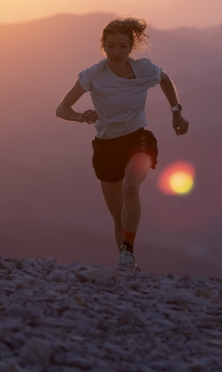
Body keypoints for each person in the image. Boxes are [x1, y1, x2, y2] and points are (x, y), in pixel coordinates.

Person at [55, 16, 189, 272]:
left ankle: (126, 253)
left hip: (138, 139)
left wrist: (176, 111)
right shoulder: (92, 75)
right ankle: (128, 262)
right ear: (103, 46)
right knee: (117, 216)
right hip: (106, 147)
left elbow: (164, 79)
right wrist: (80, 116)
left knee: (130, 188)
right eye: (111, 46)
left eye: (122, 46)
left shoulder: (145, 69)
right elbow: (62, 108)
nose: (116, 52)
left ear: (131, 48)